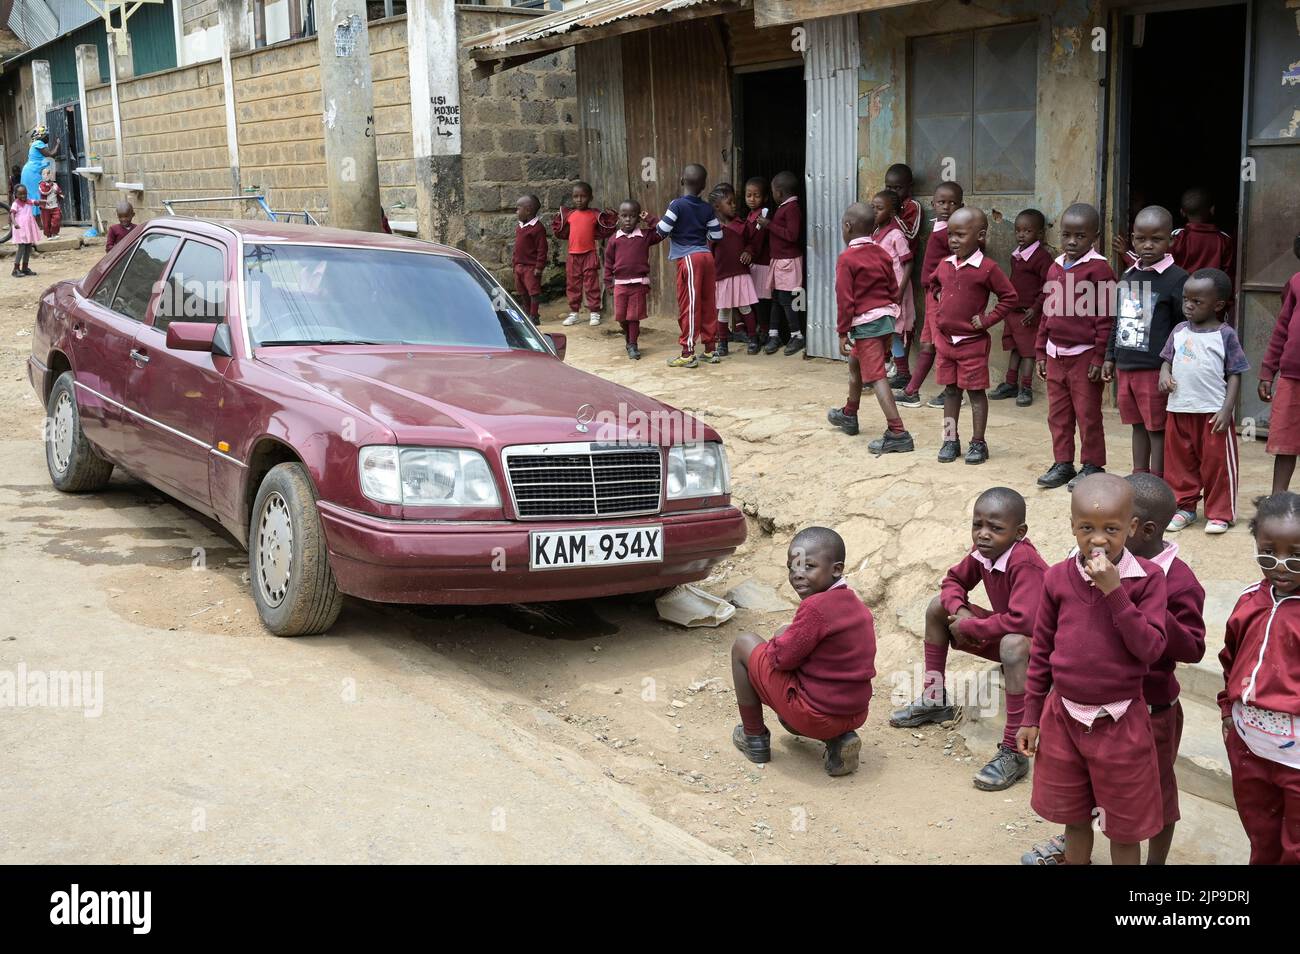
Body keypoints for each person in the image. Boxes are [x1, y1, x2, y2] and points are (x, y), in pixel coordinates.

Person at [1021, 473, 1205, 866]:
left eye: (1112, 529)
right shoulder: (1056, 577)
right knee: (1075, 817)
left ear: (1133, 528)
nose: (1098, 539)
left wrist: (1114, 590)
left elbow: (1151, 648)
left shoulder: (1151, 580)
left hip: (1123, 719)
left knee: (1126, 828)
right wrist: (1031, 715)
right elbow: (1042, 651)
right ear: (1072, 526)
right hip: (1066, 715)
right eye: (1086, 528)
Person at [891, 487, 1046, 790]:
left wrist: (972, 628)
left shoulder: (1025, 562)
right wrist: (961, 613)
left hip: (1043, 653)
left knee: (1014, 642)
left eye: (996, 528)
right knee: (938, 606)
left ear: (1019, 532)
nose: (983, 534)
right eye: (978, 525)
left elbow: (1025, 621)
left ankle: (1014, 753)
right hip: (1007, 638)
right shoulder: (984, 553)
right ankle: (935, 698)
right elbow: (953, 581)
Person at [730, 526, 876, 777]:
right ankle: (839, 740)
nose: (797, 574)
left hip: (816, 716)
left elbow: (780, 659)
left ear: (836, 569)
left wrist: (778, 638)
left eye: (808, 566)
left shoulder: (815, 608)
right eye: (792, 567)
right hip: (855, 712)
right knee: (816, 674)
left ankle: (753, 737)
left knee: (744, 644)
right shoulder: (856, 606)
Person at [1219, 492, 1300, 864]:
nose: (1281, 565)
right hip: (1248, 746)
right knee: (1260, 834)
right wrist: (1225, 713)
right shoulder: (1250, 600)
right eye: (1268, 553)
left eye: (1296, 555)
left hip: (1296, 759)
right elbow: (1230, 659)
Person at [1159, 268, 1248, 535]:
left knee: (1217, 465)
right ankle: (1184, 507)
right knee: (1179, 464)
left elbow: (1235, 374)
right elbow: (1166, 360)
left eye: (1197, 302)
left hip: (1212, 413)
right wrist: (1164, 375)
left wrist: (1226, 409)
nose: (1188, 305)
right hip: (1179, 409)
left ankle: (1220, 513)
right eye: (1186, 299)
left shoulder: (1225, 335)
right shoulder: (1178, 330)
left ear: (1218, 305)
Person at [1102, 206, 1189, 479]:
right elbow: (1119, 320)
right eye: (1141, 239)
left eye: (1157, 239)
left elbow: (1183, 328)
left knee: (1156, 428)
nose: (1148, 245)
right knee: (1137, 425)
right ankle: (1139, 476)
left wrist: (1169, 364)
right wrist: (1109, 356)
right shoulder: (1128, 276)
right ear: (1133, 239)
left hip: (1154, 370)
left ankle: (1158, 480)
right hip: (1126, 366)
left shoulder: (1177, 279)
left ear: (1171, 241)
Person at [1034, 203, 1116, 490]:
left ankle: (1092, 465)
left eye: (1080, 236)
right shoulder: (1055, 266)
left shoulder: (1100, 270)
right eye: (1066, 234)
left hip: (1083, 356)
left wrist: (1099, 356)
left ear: (1094, 236)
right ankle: (1063, 463)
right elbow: (1048, 310)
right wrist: (1041, 349)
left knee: (1087, 413)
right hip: (1056, 353)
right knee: (1057, 414)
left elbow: (1106, 317)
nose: (1071, 241)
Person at [929, 207, 1019, 465]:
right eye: (950, 235)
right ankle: (949, 439)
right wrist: (938, 299)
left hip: (972, 344)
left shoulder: (987, 268)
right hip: (946, 343)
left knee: (976, 393)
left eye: (960, 235)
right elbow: (933, 283)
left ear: (980, 236)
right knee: (950, 392)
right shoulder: (945, 265)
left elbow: (1009, 297)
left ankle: (978, 443)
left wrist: (987, 319)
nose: (953, 240)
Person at [825, 202, 915, 455]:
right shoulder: (881, 253)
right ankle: (849, 414)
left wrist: (842, 332)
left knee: (876, 376)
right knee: (856, 364)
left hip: (867, 324)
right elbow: (892, 286)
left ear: (847, 226)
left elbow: (845, 299)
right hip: (886, 320)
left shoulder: (847, 259)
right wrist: (890, 311)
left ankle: (898, 432)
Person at [895, 180, 964, 409]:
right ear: (933, 204)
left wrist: (942, 290)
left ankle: (952, 392)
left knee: (941, 344)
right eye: (942, 202)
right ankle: (912, 391)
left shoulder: (955, 234)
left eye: (953, 203)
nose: (947, 207)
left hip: (940, 294)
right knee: (927, 343)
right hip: (930, 293)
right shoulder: (937, 225)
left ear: (961, 206)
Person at [657, 164, 724, 368]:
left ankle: (687, 352)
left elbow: (662, 230)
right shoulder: (707, 208)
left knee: (690, 305)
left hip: (689, 258)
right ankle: (711, 349)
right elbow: (717, 235)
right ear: (703, 186)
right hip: (706, 256)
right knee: (708, 302)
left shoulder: (676, 205)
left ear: (681, 180)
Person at [991, 209, 1052, 407]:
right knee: (1015, 348)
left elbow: (1048, 287)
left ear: (1040, 235)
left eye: (1027, 231)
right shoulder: (1016, 256)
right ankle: (1010, 383)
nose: (1021, 235)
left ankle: (1025, 387)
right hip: (1013, 312)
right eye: (1018, 231)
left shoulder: (1042, 258)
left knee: (1028, 352)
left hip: (1029, 314)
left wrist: (1035, 309)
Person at [1258, 233, 1300, 494]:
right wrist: (1267, 371)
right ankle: (1277, 499)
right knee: (1285, 442)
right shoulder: (1296, 283)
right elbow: (1281, 330)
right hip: (1291, 377)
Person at [603, 199, 664, 360]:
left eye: (632, 216)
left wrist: (649, 218)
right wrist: (608, 282)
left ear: (638, 218)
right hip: (620, 285)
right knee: (622, 317)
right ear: (619, 218)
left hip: (638, 284)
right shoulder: (614, 239)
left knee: (633, 317)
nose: (628, 219)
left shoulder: (644, 236)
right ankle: (628, 335)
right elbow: (608, 262)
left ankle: (633, 344)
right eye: (624, 216)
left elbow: (662, 231)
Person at [868, 190, 916, 386]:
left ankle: (903, 372)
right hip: (882, 292)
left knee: (896, 331)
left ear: (892, 212)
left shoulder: (896, 234)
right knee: (886, 330)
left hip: (897, 292)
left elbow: (909, 263)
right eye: (873, 207)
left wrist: (901, 290)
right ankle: (890, 369)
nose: (874, 212)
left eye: (879, 209)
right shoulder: (875, 234)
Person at [757, 170, 805, 355]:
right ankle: (774, 334)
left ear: (779, 192)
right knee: (776, 298)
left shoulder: (792, 209)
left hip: (788, 262)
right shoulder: (784, 207)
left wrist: (770, 225)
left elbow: (792, 235)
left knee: (787, 300)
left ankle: (797, 336)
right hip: (779, 262)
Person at [709, 183, 758, 358]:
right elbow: (709, 253)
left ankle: (753, 339)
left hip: (740, 274)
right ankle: (722, 343)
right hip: (722, 276)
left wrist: (748, 251)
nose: (734, 206)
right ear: (717, 207)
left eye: (734, 202)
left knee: (745, 308)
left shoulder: (741, 225)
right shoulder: (712, 230)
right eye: (729, 203)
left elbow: (751, 243)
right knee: (724, 310)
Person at [552, 180, 607, 327]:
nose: (579, 199)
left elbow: (605, 228)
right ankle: (574, 313)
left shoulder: (594, 215)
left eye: (583, 196)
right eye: (576, 196)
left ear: (590, 198)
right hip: (572, 255)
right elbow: (561, 232)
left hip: (589, 254)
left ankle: (594, 312)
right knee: (573, 285)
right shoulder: (569, 215)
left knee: (591, 285)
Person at [742, 177, 774, 355]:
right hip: (754, 263)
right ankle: (760, 330)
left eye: (756, 195)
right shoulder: (749, 215)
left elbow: (758, 239)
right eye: (748, 195)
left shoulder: (763, 214)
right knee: (754, 300)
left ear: (765, 198)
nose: (752, 199)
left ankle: (766, 331)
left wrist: (749, 252)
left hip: (762, 263)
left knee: (762, 301)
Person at [512, 194, 547, 324]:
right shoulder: (519, 227)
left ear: (527, 210)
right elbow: (517, 247)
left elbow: (542, 249)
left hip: (531, 267)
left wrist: (539, 266)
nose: (516, 212)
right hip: (519, 266)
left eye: (518, 209)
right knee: (522, 291)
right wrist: (514, 263)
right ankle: (526, 313)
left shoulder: (537, 228)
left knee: (533, 292)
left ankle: (534, 315)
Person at [20, 125, 60, 209]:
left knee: (33, 195)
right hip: (32, 172)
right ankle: (36, 217)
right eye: (47, 135)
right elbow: (51, 155)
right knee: (36, 194)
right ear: (42, 136)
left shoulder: (37, 144)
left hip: (32, 171)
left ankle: (35, 218)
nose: (48, 138)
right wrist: (58, 144)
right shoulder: (38, 143)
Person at [9, 184, 41, 277]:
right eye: (21, 194)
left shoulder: (28, 201)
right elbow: (12, 214)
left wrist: (41, 202)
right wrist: (14, 223)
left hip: (28, 228)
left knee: (28, 247)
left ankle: (25, 268)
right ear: (16, 194)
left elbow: (35, 202)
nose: (23, 196)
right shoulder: (15, 203)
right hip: (20, 228)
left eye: (25, 194)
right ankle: (15, 269)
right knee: (21, 247)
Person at [37, 167, 62, 238]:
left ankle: (54, 233)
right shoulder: (41, 184)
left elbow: (59, 192)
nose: (46, 175)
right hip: (45, 207)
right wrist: (51, 187)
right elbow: (44, 192)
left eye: (48, 173)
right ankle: (48, 235)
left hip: (55, 206)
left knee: (57, 219)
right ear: (41, 175)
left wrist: (60, 194)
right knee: (46, 222)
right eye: (44, 173)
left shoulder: (55, 184)